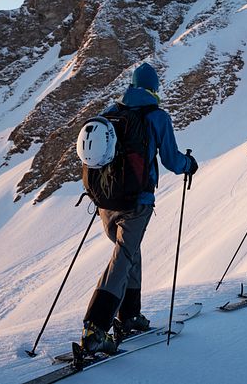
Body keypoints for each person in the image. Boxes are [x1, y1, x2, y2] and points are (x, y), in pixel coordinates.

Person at [80, 62, 198, 354]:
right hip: (137, 203)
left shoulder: (111, 113)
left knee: (130, 253)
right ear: (154, 89)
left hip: (106, 203)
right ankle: (95, 326)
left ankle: (129, 315)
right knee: (123, 258)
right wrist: (189, 164)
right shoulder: (157, 117)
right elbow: (171, 161)